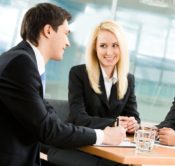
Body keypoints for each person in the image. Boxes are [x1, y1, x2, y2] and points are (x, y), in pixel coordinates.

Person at [0, 3, 125, 166]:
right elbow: (49, 130)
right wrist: (104, 136)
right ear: (48, 31)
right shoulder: (21, 64)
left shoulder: (23, 59)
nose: (68, 42)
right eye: (66, 34)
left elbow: (49, 118)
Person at [47, 20, 140, 166]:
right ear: (94, 49)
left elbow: (133, 116)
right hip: (79, 146)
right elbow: (79, 118)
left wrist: (132, 124)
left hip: (111, 150)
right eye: (103, 46)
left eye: (115, 45)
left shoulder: (128, 79)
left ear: (122, 48)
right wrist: (114, 123)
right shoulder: (79, 74)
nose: (109, 52)